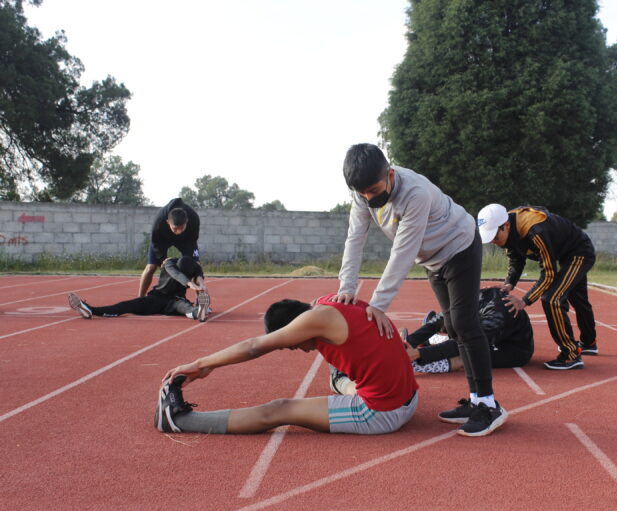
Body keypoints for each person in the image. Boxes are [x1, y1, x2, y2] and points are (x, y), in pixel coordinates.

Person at [331, 143, 506, 437]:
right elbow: (355, 238)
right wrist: (346, 286)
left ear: (389, 173)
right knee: (452, 326)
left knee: (465, 323)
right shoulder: (362, 193)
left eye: (374, 190)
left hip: (459, 245)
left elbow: (403, 250)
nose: (369, 198)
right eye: (363, 194)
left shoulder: (415, 192)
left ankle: (488, 405)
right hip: (433, 259)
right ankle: (474, 401)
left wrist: (378, 304)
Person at [155, 294, 419, 436]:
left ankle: (178, 421)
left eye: (294, 345)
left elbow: (254, 347)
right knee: (343, 377)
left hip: (383, 413)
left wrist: (202, 365)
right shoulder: (329, 301)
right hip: (410, 398)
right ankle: (343, 383)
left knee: (278, 410)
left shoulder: (314, 321)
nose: (302, 350)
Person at [477, 203, 598, 370]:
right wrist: (509, 284)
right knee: (578, 300)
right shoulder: (508, 227)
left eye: (495, 238)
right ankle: (589, 343)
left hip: (579, 252)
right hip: (564, 254)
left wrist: (524, 301)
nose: (495, 243)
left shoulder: (536, 231)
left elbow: (549, 274)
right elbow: (516, 259)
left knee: (552, 298)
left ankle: (570, 355)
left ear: (506, 226)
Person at [403, 287, 534, 373]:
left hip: (514, 350)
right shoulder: (468, 298)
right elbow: (436, 322)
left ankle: (413, 366)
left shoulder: (495, 315)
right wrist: (406, 343)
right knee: (454, 326)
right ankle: (440, 339)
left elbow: (467, 344)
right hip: (492, 335)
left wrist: (419, 354)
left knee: (466, 357)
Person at [68, 256, 210, 322]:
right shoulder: (170, 263)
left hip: (174, 301)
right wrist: (190, 284)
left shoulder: (196, 268)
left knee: (186, 308)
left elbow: (201, 281)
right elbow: (176, 274)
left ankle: (199, 311)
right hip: (155, 298)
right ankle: (89, 309)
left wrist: (202, 290)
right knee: (124, 306)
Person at [139, 197, 200, 297]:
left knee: (196, 266)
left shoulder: (194, 218)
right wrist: (163, 259)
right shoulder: (159, 221)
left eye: (182, 228)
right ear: (167, 222)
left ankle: (201, 303)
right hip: (162, 239)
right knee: (150, 267)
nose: (179, 232)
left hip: (186, 240)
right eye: (175, 229)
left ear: (187, 222)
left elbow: (193, 240)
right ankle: (140, 298)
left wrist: (192, 263)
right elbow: (156, 242)